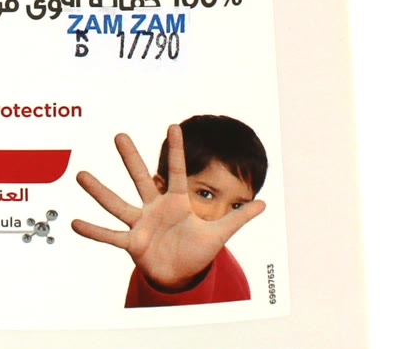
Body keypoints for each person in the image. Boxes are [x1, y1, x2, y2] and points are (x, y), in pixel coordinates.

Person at [72, 114, 268, 306]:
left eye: (237, 206)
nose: (218, 216)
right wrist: (174, 284)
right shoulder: (158, 258)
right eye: (205, 194)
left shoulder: (234, 276)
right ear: (161, 188)